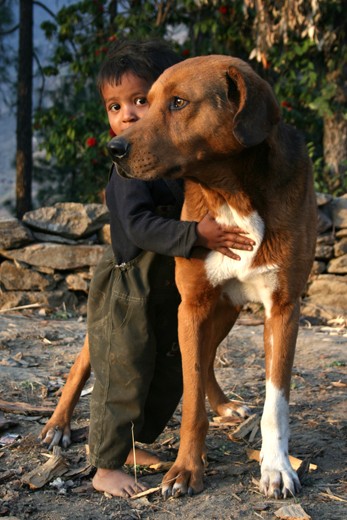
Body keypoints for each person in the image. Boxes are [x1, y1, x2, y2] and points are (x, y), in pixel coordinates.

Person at [82, 39, 255, 499]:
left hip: (165, 288)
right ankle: (105, 464)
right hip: (128, 286)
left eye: (144, 101)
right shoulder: (128, 172)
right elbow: (139, 228)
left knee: (168, 373)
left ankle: (136, 443)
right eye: (115, 106)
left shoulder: (172, 162)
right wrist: (197, 235)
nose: (129, 115)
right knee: (123, 373)